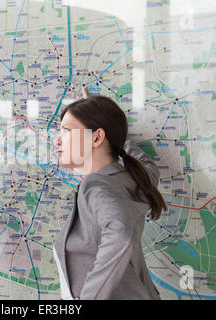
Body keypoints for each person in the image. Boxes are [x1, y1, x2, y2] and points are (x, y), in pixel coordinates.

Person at [53, 88, 167, 300]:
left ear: (97, 138)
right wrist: (103, 126)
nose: (57, 140)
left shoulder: (96, 186)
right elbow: (148, 166)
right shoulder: (133, 178)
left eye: (66, 131)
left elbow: (121, 234)